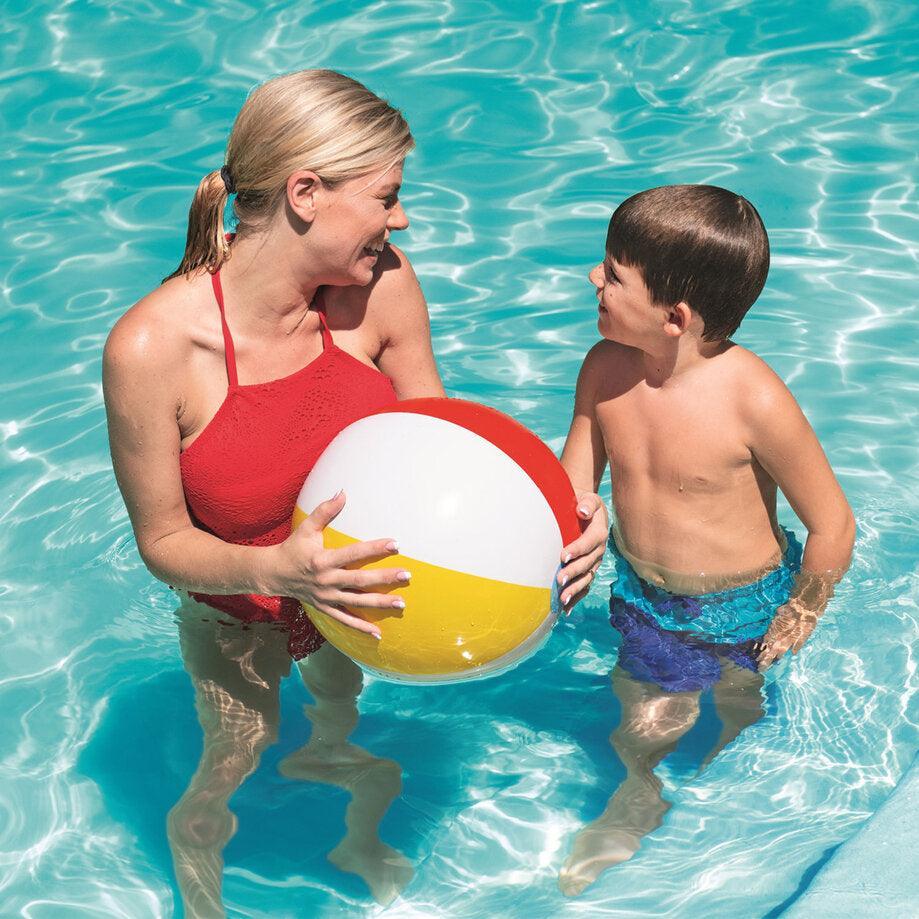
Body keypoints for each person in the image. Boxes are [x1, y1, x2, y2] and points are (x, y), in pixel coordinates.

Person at [102, 69, 608, 916]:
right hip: (239, 607)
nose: (400, 220)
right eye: (386, 197)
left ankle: (351, 823)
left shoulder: (385, 286)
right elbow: (162, 543)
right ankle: (200, 886)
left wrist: (564, 515)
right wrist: (281, 572)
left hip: (357, 600)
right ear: (305, 192)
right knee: (231, 764)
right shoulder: (154, 347)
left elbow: (447, 449)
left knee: (339, 719)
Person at [555, 184, 855, 895]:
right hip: (645, 596)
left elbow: (831, 521)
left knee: (738, 715)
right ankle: (637, 792)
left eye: (612, 272)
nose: (592, 279)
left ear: (674, 316)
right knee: (641, 724)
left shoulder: (750, 397)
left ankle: (734, 820)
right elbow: (570, 487)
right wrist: (574, 527)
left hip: (747, 605)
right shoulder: (603, 370)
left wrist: (803, 607)